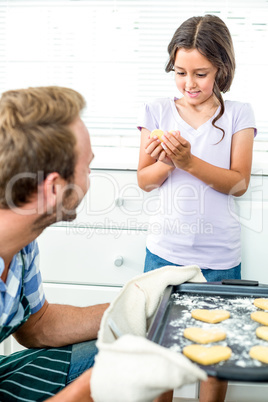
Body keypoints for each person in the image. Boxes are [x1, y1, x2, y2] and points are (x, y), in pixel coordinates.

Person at [0, 86, 206, 402]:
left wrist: (138, 307)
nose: (89, 177)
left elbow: (37, 326)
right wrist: (89, 389)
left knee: (124, 350)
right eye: (87, 166)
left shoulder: (23, 245)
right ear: (54, 188)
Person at [137, 14, 257, 402]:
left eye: (201, 74)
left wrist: (189, 162)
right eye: (180, 72)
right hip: (164, 254)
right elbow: (144, 179)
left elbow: (238, 183)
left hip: (219, 257)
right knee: (160, 359)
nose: (189, 84)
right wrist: (168, 162)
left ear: (221, 68)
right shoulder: (156, 110)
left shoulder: (238, 113)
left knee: (214, 360)